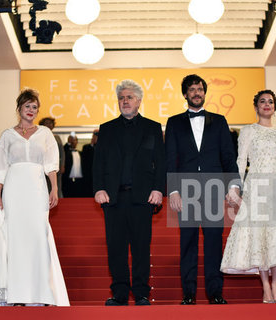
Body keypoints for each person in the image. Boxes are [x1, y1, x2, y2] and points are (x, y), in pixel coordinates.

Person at [0, 89, 69, 306]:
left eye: (35, 107)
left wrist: (54, 189)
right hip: (14, 189)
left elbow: (51, 164)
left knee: (37, 237)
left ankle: (41, 293)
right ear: (19, 109)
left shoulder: (45, 134)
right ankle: (16, 294)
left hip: (37, 188)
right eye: (28, 107)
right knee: (15, 239)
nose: (31, 111)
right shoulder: (7, 135)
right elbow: (1, 167)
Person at [220, 89, 276, 304]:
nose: (267, 105)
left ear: (275, 106)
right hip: (256, 187)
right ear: (256, 107)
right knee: (260, 238)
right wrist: (235, 188)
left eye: (270, 101)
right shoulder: (248, 131)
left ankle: (275, 283)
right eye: (262, 101)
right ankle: (265, 286)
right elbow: (241, 161)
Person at [165, 74, 241, 305]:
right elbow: (170, 158)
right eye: (192, 89)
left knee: (213, 242)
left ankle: (215, 292)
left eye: (200, 89)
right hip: (185, 190)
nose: (196, 93)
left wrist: (234, 184)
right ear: (185, 94)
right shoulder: (174, 122)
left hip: (214, 188)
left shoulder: (219, 121)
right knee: (187, 242)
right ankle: (188, 293)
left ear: (204, 93)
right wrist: (173, 190)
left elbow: (228, 156)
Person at [93, 79, 165, 306]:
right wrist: (98, 188)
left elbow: (161, 162)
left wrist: (158, 189)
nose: (125, 101)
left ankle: (142, 293)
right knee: (116, 247)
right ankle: (120, 293)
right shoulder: (106, 129)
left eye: (129, 97)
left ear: (139, 101)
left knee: (142, 247)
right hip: (113, 197)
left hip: (142, 197)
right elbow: (98, 163)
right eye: (121, 98)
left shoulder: (153, 127)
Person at [39, 117, 65, 198]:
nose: (48, 125)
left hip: (56, 166)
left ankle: (58, 199)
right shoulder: (39, 137)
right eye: (46, 123)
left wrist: (62, 165)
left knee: (57, 185)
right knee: (45, 185)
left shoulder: (57, 137)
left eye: (50, 123)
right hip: (43, 166)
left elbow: (62, 152)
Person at [81, 129, 99, 197]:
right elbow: (85, 158)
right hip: (88, 173)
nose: (95, 138)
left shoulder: (103, 147)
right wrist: (92, 144)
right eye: (94, 136)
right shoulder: (86, 147)